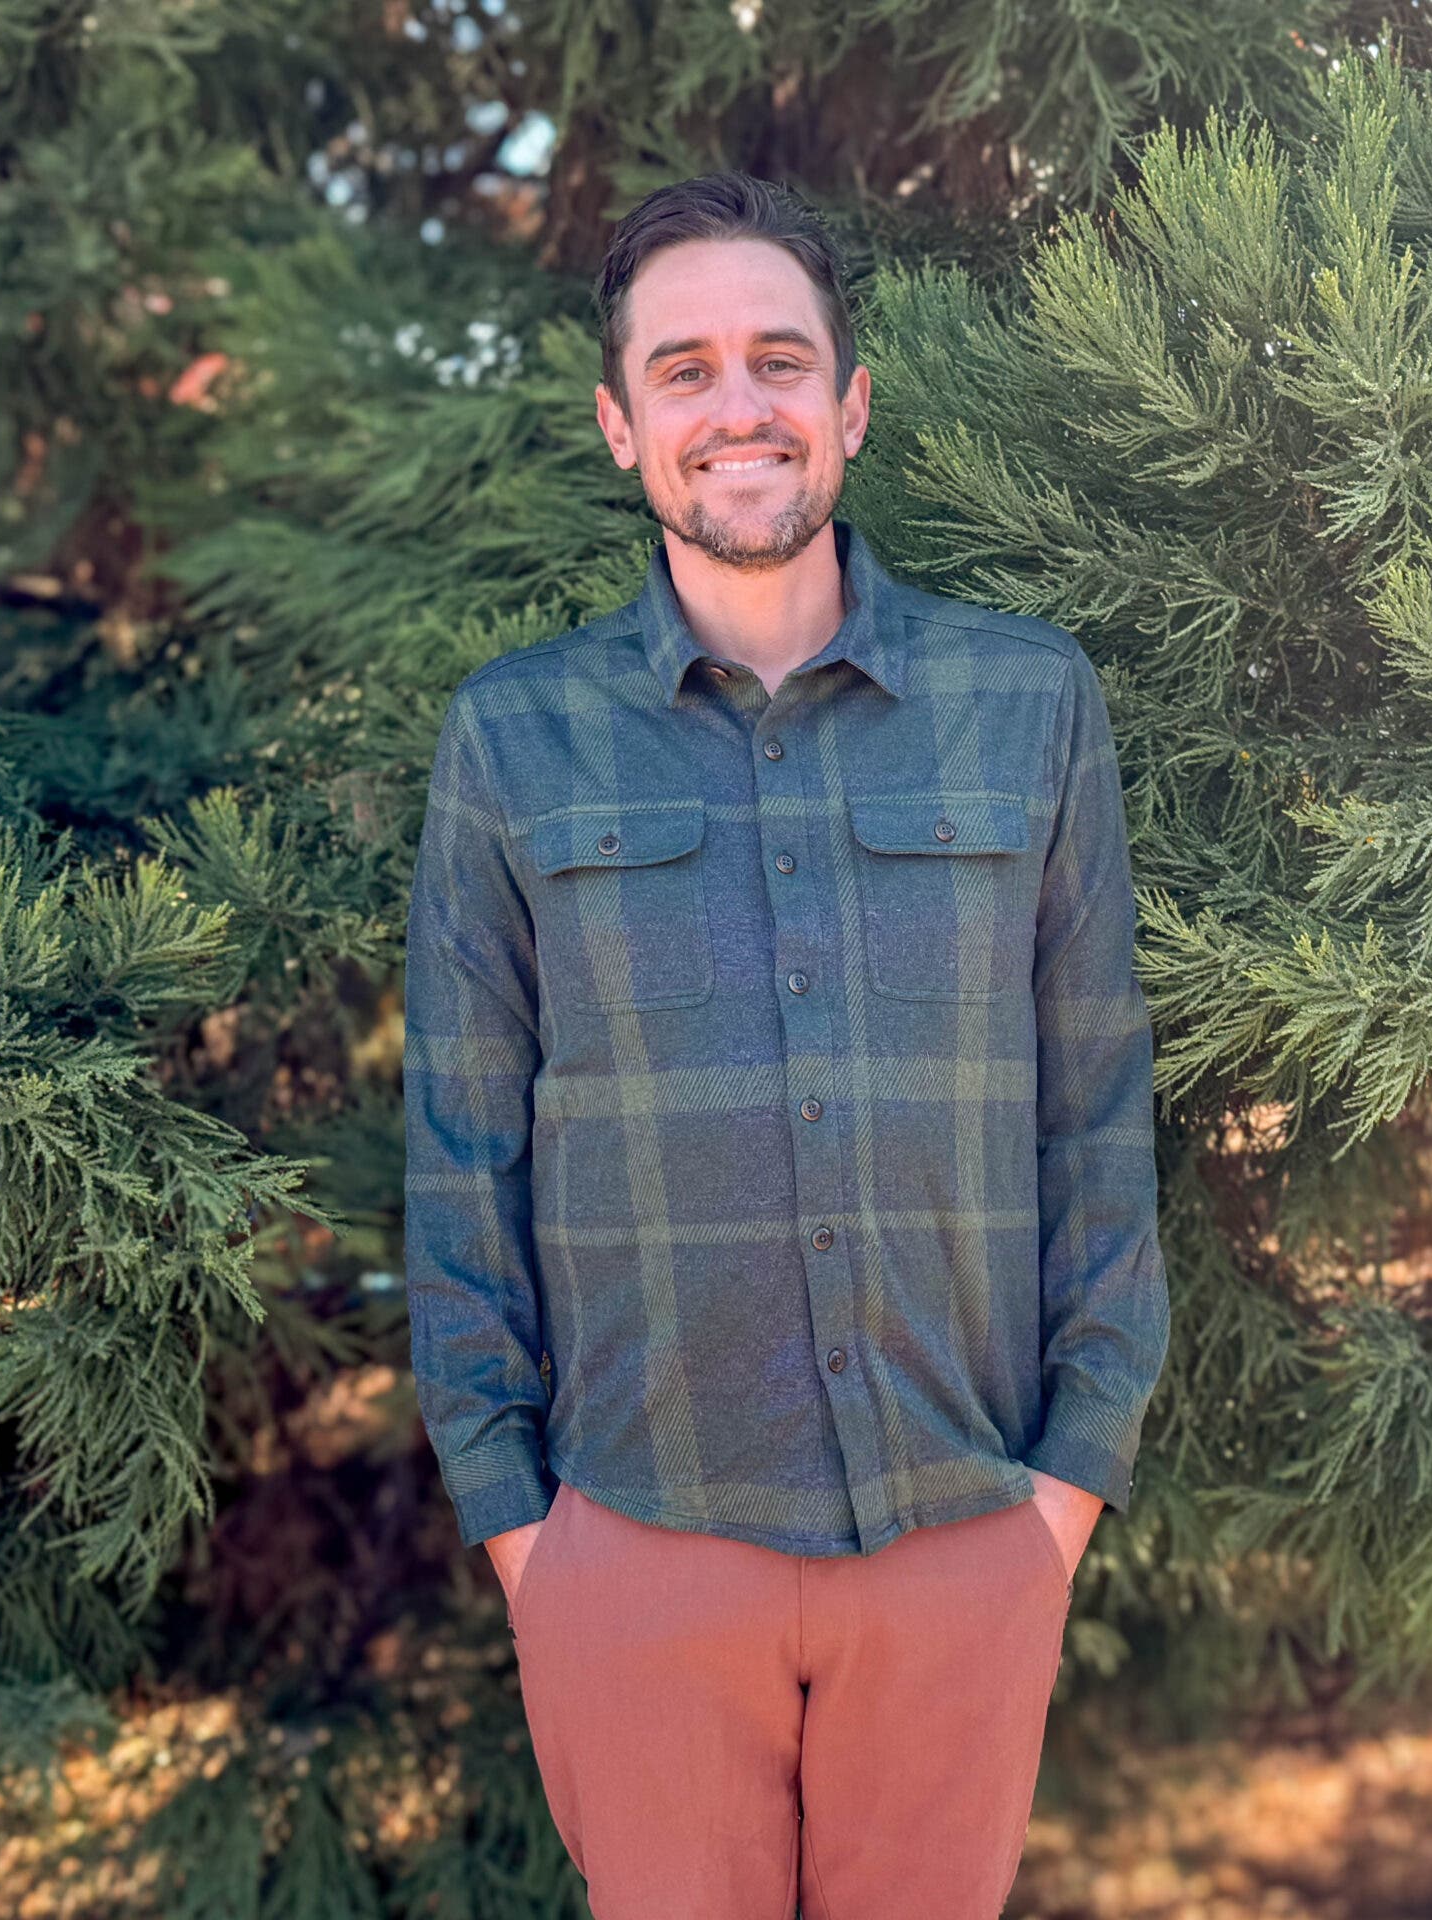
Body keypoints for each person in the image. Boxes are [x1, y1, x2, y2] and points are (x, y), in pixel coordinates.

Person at [401, 168, 1170, 1918]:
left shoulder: (1027, 702)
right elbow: (462, 1156)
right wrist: (532, 1537)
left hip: (966, 1535)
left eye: (776, 359)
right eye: (684, 370)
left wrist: (1060, 1495)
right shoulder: (513, 739)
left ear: (850, 405)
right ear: (619, 425)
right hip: (640, 1545)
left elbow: (1098, 1112)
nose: (736, 405)